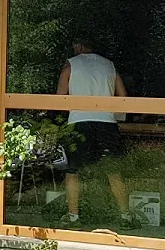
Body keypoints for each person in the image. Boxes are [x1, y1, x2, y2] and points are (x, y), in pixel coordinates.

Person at [56, 38, 132, 226]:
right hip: (106, 123)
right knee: (114, 172)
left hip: (79, 122)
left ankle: (73, 216)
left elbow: (59, 97)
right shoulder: (109, 65)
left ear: (79, 46)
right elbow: (123, 97)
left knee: (73, 172)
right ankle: (126, 216)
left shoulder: (71, 65)